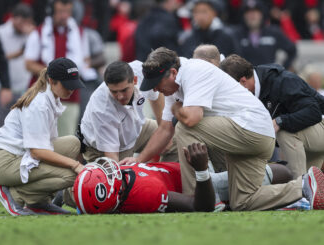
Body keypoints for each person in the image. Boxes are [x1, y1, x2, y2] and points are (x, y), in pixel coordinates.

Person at [120, 47, 324, 211]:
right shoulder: (173, 86)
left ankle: (197, 199)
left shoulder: (194, 70)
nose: (155, 89)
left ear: (173, 73)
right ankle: (305, 185)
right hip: (248, 136)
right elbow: (164, 129)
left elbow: (192, 119)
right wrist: (139, 160)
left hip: (251, 130)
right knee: (244, 202)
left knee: (185, 127)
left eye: (157, 83)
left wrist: (176, 110)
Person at [67, 142, 315, 214]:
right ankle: (302, 190)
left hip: (182, 165)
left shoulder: (112, 190)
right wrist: (200, 170)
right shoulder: (145, 195)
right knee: (281, 172)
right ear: (113, 195)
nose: (111, 171)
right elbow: (199, 206)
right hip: (197, 182)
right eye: (108, 178)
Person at [0, 57, 85, 216]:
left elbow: (44, 147)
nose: (71, 90)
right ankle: (10, 190)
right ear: (51, 81)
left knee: (73, 143)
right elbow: (37, 152)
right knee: (71, 175)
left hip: (18, 155)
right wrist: (75, 164)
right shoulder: (39, 104)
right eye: (66, 85)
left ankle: (38, 203)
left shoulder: (51, 97)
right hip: (4, 161)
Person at [220, 54, 324, 180]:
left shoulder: (284, 81)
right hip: (306, 134)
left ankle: (299, 189)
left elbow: (314, 113)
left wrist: (280, 121)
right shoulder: (254, 87)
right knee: (315, 189)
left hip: (318, 126)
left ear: (243, 81)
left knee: (284, 132)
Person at [80, 60, 177, 163]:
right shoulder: (101, 109)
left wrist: (164, 129)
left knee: (174, 138)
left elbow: (156, 96)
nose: (120, 96)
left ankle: (163, 175)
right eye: (114, 92)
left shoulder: (142, 71)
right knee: (123, 176)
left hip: (135, 128)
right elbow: (112, 159)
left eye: (124, 90)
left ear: (135, 80)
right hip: (105, 148)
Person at [24, 0, 90, 136]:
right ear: (51, 12)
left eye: (68, 12)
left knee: (66, 137)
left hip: (70, 96)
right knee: (38, 137)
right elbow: (29, 64)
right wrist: (56, 74)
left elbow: (85, 60)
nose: (64, 16)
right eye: (60, 12)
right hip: (42, 93)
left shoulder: (80, 32)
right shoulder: (39, 32)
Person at [0, 3, 35, 128]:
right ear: (14, 18)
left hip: (24, 89)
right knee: (1, 127)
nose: (23, 26)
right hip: (3, 89)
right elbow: (2, 58)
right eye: (21, 22)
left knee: (20, 129)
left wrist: (32, 37)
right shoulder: (1, 32)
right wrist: (20, 51)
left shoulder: (31, 34)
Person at [232, 0, 296, 70]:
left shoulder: (273, 32)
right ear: (243, 15)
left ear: (262, 14)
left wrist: (282, 69)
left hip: (268, 78)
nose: (252, 16)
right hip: (243, 78)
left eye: (255, 12)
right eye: (248, 12)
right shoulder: (236, 34)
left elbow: (292, 49)